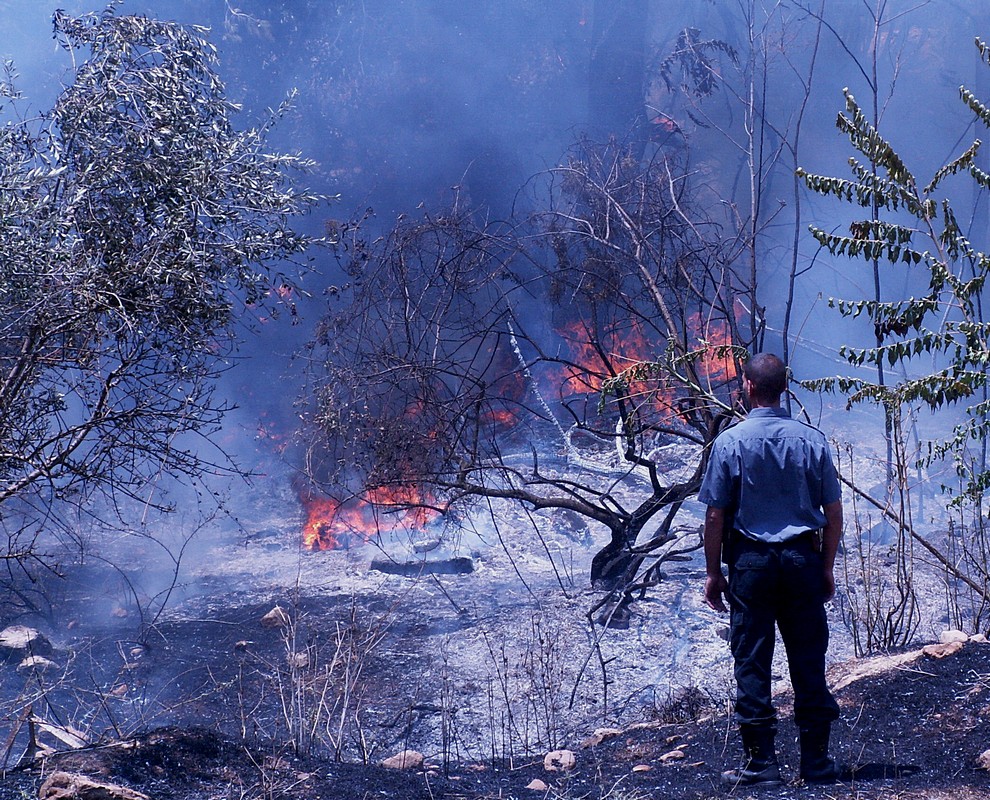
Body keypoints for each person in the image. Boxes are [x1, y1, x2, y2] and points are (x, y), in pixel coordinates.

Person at [698, 353, 843, 787]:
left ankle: (761, 765)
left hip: (752, 564)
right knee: (808, 658)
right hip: (802, 561)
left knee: (753, 660)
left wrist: (713, 572)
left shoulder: (729, 442)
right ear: (784, 388)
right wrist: (826, 567)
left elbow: (714, 517)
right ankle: (816, 764)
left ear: (747, 386)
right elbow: (833, 514)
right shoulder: (812, 441)